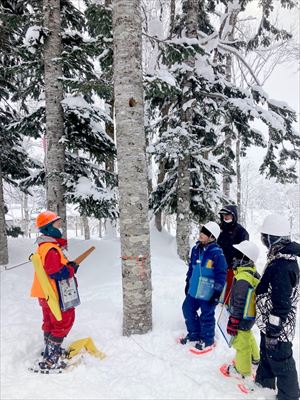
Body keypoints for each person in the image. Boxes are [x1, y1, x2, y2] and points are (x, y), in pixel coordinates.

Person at [255, 214, 300, 400]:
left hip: (278, 326)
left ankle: (289, 395)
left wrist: (274, 329)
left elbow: (282, 304)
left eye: (265, 237)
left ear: (274, 238)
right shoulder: (280, 257)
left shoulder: (283, 265)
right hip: (270, 323)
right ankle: (263, 385)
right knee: (266, 354)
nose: (263, 241)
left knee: (281, 360)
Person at [30, 211, 79, 372]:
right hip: (55, 294)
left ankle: (51, 351)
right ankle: (51, 359)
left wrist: (67, 265)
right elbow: (56, 272)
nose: (60, 226)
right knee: (64, 322)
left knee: (51, 323)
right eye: (57, 224)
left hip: (45, 294)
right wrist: (70, 269)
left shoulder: (44, 247)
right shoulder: (51, 248)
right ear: (49, 228)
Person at [181, 221, 227, 352]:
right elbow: (191, 268)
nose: (201, 234)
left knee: (206, 314)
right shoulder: (195, 249)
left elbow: (221, 274)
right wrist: (187, 282)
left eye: (205, 233)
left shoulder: (217, 253)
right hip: (194, 288)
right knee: (187, 309)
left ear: (212, 237)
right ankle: (194, 334)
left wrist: (217, 293)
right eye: (201, 231)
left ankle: (207, 340)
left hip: (208, 291)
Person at [223, 240, 260, 380]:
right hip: (248, 317)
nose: (234, 258)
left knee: (241, 344)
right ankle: (255, 358)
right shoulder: (252, 272)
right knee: (248, 336)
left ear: (245, 258)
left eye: (238, 255)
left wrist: (233, 320)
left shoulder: (243, 278)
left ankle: (242, 371)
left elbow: (239, 302)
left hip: (241, 317)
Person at [217, 205, 249, 304]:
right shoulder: (218, 228)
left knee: (229, 288)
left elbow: (245, 251)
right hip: (217, 264)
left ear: (234, 215)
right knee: (215, 286)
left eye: (228, 215)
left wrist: (238, 263)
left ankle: (226, 305)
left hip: (232, 266)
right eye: (223, 215)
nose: (225, 217)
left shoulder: (241, 232)